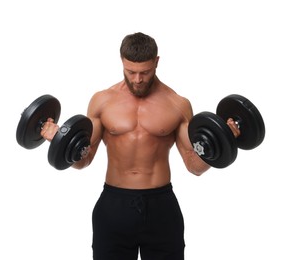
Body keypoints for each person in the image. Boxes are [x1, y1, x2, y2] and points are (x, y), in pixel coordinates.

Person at [41, 32, 240, 260]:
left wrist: (222, 140)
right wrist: (60, 141)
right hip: (113, 205)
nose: (137, 80)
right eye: (130, 72)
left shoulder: (177, 104)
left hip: (161, 207)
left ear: (157, 62)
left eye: (145, 72)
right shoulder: (102, 101)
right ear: (121, 62)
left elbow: (194, 165)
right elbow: (84, 159)